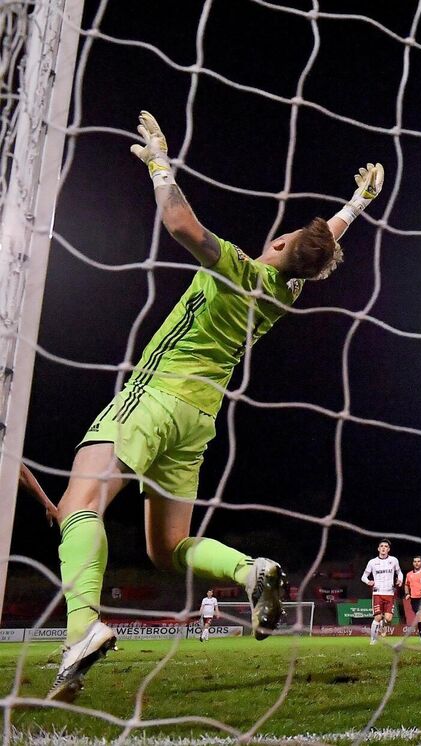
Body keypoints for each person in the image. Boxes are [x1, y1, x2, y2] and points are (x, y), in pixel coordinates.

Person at [48, 111, 384, 702]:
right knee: (165, 549)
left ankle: (82, 628)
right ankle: (248, 571)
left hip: (153, 398)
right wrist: (354, 206)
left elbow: (180, 224)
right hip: (197, 424)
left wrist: (159, 163)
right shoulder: (286, 292)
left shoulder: (240, 268)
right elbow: (318, 241)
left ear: (279, 244)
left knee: (80, 503)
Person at [361, 540, 402, 645]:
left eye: (386, 546)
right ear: (378, 549)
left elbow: (399, 573)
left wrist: (400, 580)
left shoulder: (393, 560)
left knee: (388, 618)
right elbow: (363, 576)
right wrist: (368, 581)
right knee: (378, 617)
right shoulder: (372, 562)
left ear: (388, 549)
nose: (383, 548)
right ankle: (373, 640)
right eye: (381, 546)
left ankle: (382, 626)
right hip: (377, 593)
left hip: (390, 593)